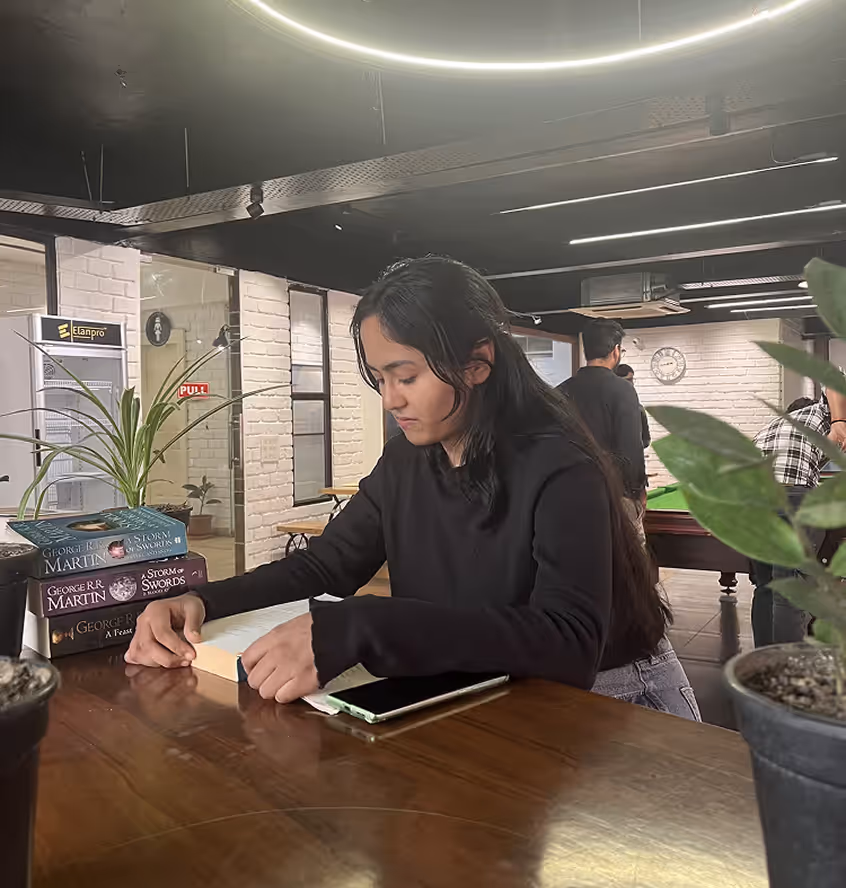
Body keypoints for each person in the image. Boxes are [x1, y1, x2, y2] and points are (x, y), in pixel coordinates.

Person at [126, 257, 699, 720]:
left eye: (407, 376)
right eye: (380, 379)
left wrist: (367, 625)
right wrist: (201, 601)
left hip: (614, 697)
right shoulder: (407, 458)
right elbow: (325, 567)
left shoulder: (558, 462)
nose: (390, 399)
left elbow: (569, 642)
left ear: (477, 363)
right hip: (486, 687)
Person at [750, 389, 846, 647]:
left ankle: (763, 662)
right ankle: (786, 674)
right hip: (788, 495)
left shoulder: (780, 423)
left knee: (766, 586)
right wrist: (839, 424)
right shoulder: (826, 411)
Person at [557, 321, 647, 538]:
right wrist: (638, 491)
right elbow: (631, 447)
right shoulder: (623, 390)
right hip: (615, 495)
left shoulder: (560, 391)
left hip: (570, 494)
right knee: (629, 564)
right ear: (615, 351)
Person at [615, 363, 651, 449]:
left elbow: (646, 440)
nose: (632, 384)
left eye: (632, 380)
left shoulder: (639, 408)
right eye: (628, 380)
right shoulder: (606, 407)